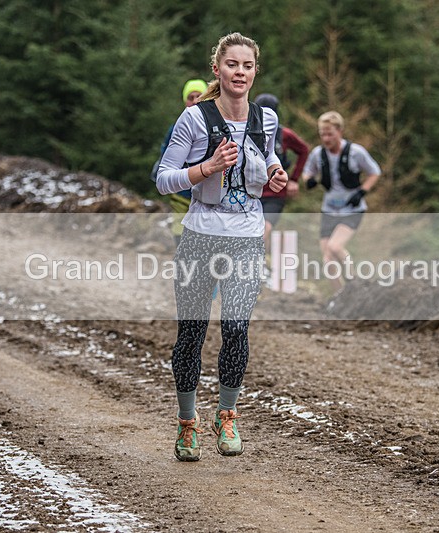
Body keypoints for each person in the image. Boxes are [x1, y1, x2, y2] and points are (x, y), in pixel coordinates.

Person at [155, 32, 288, 461]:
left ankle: (226, 414)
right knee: (192, 332)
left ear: (255, 71)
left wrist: (276, 173)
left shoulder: (265, 118)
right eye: (232, 64)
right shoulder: (194, 119)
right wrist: (206, 168)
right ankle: (187, 423)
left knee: (235, 328)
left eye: (247, 66)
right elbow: (163, 178)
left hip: (247, 238)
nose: (240, 73)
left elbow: (267, 156)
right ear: (217, 69)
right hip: (200, 236)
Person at [301, 111, 381, 291]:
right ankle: (340, 295)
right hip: (329, 209)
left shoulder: (356, 152)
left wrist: (362, 191)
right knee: (327, 258)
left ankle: (355, 283)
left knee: (335, 247)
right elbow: (307, 172)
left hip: (352, 209)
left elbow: (375, 172)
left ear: (340, 131)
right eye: (322, 134)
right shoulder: (318, 154)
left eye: (330, 133)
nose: (326, 138)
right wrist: (309, 180)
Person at [153, 79, 208, 246]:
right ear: (185, 101)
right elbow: (167, 157)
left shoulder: (214, 125)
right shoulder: (177, 126)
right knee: (179, 225)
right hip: (181, 191)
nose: (195, 100)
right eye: (191, 97)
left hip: (205, 192)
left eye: (199, 96)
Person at [253, 93, 310, 249]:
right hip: (251, 193)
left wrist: (294, 179)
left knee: (264, 230)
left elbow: (304, 150)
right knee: (253, 233)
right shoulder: (246, 132)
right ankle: (266, 263)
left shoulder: (284, 134)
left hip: (274, 195)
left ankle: (259, 267)